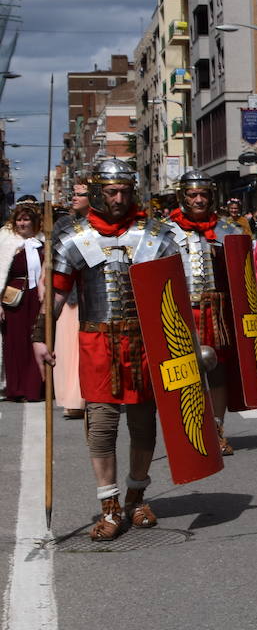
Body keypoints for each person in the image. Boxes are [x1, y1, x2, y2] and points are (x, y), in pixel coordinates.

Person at [32, 158, 182, 541]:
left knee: (144, 424)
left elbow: (173, 298)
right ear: (98, 192)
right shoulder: (72, 236)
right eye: (111, 192)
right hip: (98, 343)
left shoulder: (157, 235)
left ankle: (136, 494)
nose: (119, 198)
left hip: (145, 343)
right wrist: (40, 336)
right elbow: (59, 293)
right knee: (101, 427)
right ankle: (109, 504)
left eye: (125, 192)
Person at [167, 169, 245, 456]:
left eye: (204, 195)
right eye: (193, 195)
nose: (199, 200)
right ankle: (189, 431)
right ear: (182, 197)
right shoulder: (164, 232)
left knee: (217, 372)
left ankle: (216, 430)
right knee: (184, 374)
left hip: (216, 312)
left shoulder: (229, 230)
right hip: (180, 312)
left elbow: (241, 277)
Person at [0, 201, 45, 401]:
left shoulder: (43, 242)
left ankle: (34, 388)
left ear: (34, 222)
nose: (22, 223)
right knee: (15, 343)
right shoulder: (6, 242)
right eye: (19, 219)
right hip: (14, 299)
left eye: (26, 219)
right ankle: (16, 389)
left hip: (37, 298)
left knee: (36, 340)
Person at [54, 182, 89, 418]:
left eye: (80, 194)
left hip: (91, 292)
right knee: (67, 349)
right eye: (73, 194)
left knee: (83, 348)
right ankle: (71, 399)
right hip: (68, 293)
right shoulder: (64, 225)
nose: (74, 198)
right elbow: (54, 259)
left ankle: (84, 397)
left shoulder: (100, 225)